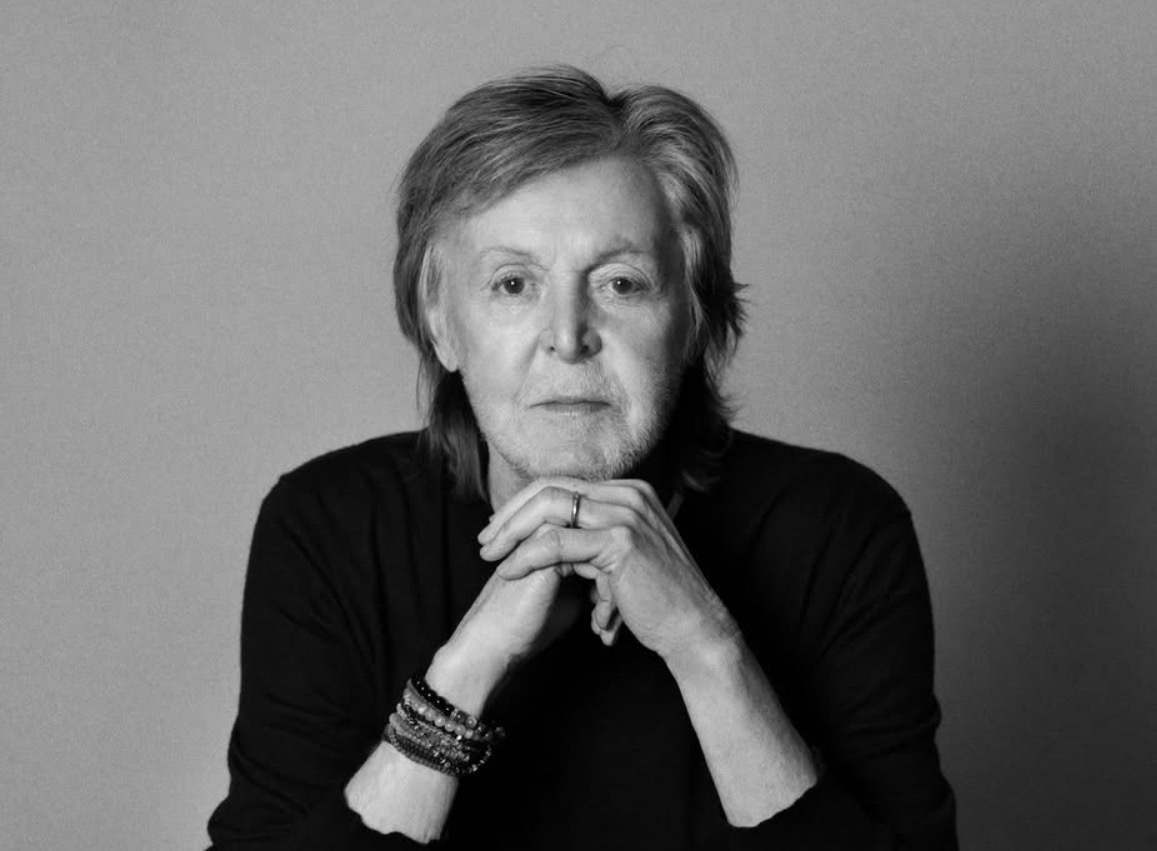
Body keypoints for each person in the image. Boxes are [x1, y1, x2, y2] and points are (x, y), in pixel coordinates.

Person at [206, 66, 957, 849]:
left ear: (693, 315)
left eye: (620, 283)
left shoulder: (838, 531)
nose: (568, 337)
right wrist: (467, 666)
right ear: (440, 320)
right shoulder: (330, 528)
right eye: (512, 284)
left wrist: (704, 644)